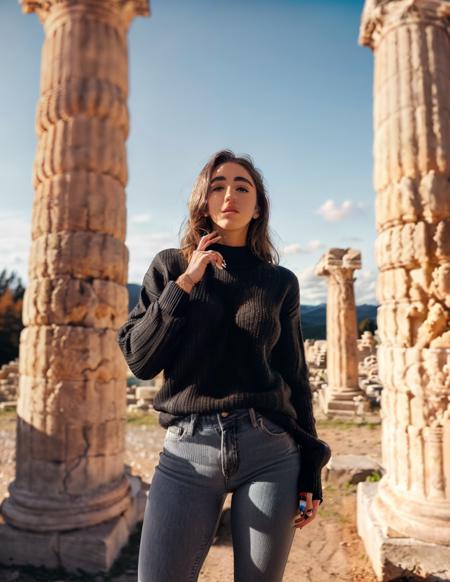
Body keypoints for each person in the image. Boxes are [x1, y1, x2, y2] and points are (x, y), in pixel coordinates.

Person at [117, 149, 331, 582]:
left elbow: (295, 377)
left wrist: (312, 466)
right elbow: (140, 359)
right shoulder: (170, 266)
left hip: (269, 449)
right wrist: (186, 283)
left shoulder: (280, 282)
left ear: (257, 208)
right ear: (203, 201)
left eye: (242, 186)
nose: (229, 194)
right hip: (186, 452)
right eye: (217, 186)